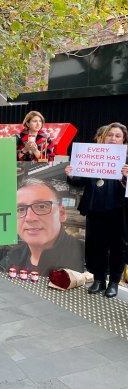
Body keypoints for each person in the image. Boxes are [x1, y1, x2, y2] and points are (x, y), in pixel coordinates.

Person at [66, 123, 128, 297]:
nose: (113, 139)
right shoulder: (92, 155)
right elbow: (80, 182)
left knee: (118, 247)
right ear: (103, 137)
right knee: (96, 246)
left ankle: (114, 282)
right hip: (95, 208)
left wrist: (126, 177)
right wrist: (71, 174)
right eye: (110, 135)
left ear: (123, 140)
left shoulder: (127, 160)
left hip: (119, 210)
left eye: (117, 136)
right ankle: (98, 279)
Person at [0, 178, 85, 277]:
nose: (30, 218)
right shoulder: (11, 258)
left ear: (61, 213)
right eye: (20, 209)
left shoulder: (92, 259)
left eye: (41, 206)